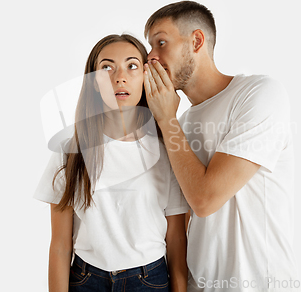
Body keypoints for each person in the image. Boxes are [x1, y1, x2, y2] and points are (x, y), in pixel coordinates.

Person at [142, 1, 298, 291]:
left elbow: (205, 199)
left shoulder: (259, 94)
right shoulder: (182, 122)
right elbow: (183, 219)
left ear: (197, 41)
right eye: (149, 47)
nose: (151, 57)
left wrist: (166, 119)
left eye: (161, 42)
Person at [33, 34, 189, 292]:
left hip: (149, 281)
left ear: (145, 77)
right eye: (107, 67)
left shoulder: (168, 150)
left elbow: (175, 239)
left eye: (132, 66)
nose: (120, 77)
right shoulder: (71, 149)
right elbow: (60, 244)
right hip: (85, 279)